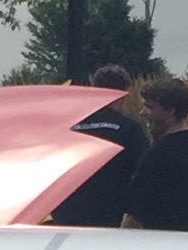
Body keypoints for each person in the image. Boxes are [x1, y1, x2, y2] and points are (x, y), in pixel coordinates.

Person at [119, 75, 188, 233]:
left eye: (150, 107)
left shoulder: (156, 155)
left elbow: (133, 217)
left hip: (166, 244)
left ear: (171, 111)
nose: (143, 112)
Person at [49, 65, 147, 227]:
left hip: (67, 216)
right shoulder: (129, 129)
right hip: (110, 218)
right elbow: (142, 175)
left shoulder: (70, 126)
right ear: (124, 93)